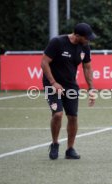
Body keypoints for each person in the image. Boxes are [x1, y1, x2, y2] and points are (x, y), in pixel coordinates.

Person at [41, 23, 96, 160]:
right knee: (58, 114)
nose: (88, 40)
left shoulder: (85, 47)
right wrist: (53, 83)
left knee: (73, 117)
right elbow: (44, 62)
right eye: (86, 37)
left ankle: (70, 149)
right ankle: (55, 144)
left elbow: (87, 68)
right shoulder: (57, 42)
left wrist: (91, 88)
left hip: (70, 86)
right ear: (77, 36)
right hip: (51, 85)